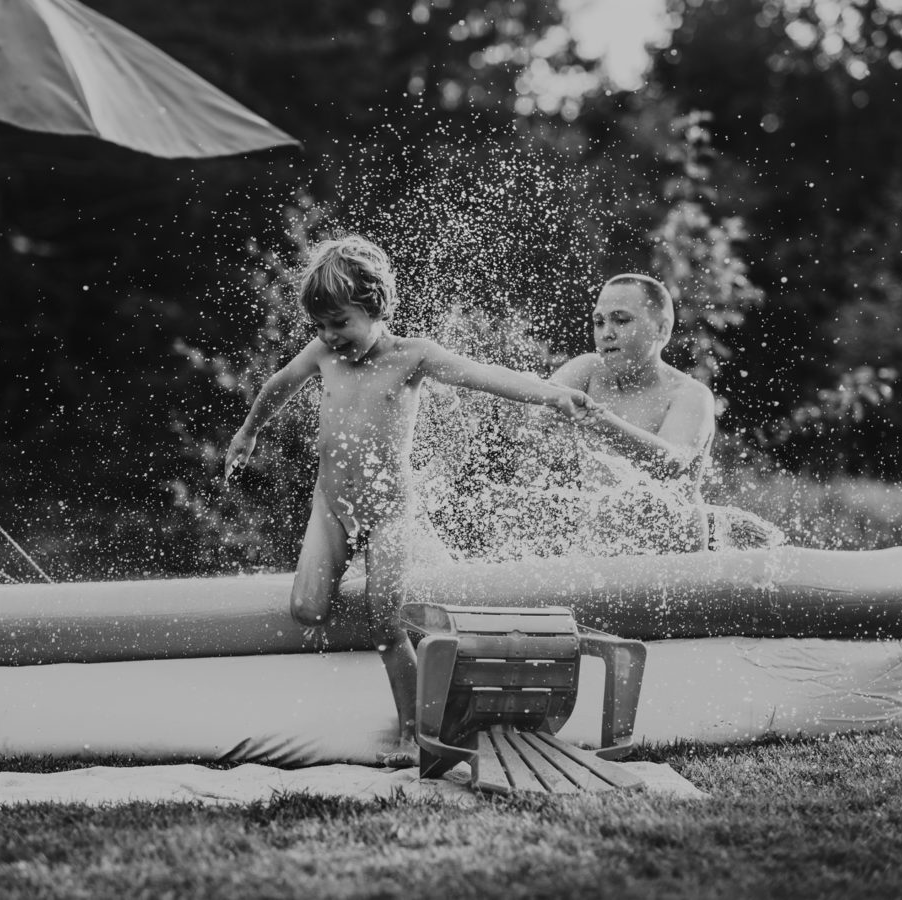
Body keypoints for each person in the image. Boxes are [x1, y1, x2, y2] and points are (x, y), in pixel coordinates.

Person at [225, 235, 596, 767]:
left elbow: (486, 377)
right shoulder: (321, 354)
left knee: (385, 623)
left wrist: (553, 393)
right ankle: (364, 571)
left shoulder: (412, 357)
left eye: (341, 323)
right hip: (331, 505)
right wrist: (248, 434)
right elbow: (277, 386)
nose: (330, 336)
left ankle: (416, 729)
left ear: (376, 306)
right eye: (321, 326)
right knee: (306, 610)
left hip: (390, 512)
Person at [547, 273, 781, 552]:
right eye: (599, 322)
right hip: (599, 554)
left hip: (673, 561)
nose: (606, 332)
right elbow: (532, 410)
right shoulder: (587, 371)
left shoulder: (690, 395)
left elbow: (670, 463)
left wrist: (599, 420)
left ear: (662, 329)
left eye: (621, 320)